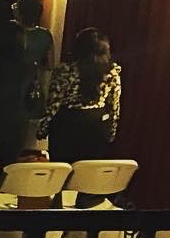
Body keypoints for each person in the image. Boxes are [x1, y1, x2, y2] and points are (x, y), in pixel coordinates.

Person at [39, 27, 121, 166]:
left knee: (63, 169)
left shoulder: (66, 70)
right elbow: (114, 104)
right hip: (96, 124)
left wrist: (43, 128)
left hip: (67, 124)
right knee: (87, 171)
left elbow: (54, 102)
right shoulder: (111, 72)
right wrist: (111, 131)